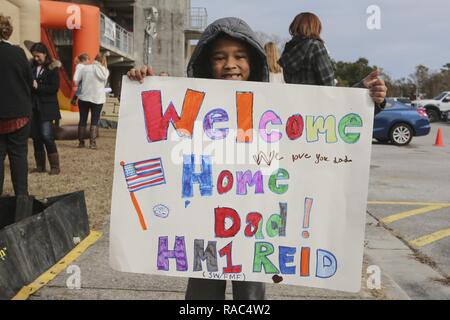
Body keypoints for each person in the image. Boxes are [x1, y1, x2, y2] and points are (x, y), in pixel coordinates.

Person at [127, 17, 387, 300]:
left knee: (250, 294)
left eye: (240, 56)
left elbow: (324, 115)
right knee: (202, 293)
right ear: (205, 62)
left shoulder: (275, 102)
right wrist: (143, 83)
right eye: (219, 57)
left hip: (254, 222)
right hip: (202, 221)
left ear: (254, 61)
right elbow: (153, 122)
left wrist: (364, 96)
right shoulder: (191, 101)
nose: (230, 64)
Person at [279, 12, 387, 112]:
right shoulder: (316, 47)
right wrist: (361, 86)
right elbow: (331, 92)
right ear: (316, 28)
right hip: (318, 114)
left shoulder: (287, 53)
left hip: (295, 111)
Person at [0, 14, 33, 196]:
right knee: (18, 156)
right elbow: (29, 81)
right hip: (19, 112)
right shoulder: (18, 52)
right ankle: (22, 199)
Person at [30, 42, 62, 175]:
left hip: (46, 107)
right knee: (36, 136)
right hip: (33, 106)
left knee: (47, 136)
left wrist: (38, 87)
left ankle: (55, 167)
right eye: (34, 56)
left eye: (38, 56)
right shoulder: (31, 66)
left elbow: (54, 88)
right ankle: (40, 166)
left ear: (44, 54)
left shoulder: (53, 68)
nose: (36, 59)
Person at [74, 52, 109, 149]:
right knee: (94, 120)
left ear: (95, 58)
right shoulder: (105, 71)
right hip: (97, 98)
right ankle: (92, 143)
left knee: (82, 120)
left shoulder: (85, 68)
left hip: (84, 97)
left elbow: (77, 80)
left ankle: (81, 143)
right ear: (103, 60)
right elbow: (104, 83)